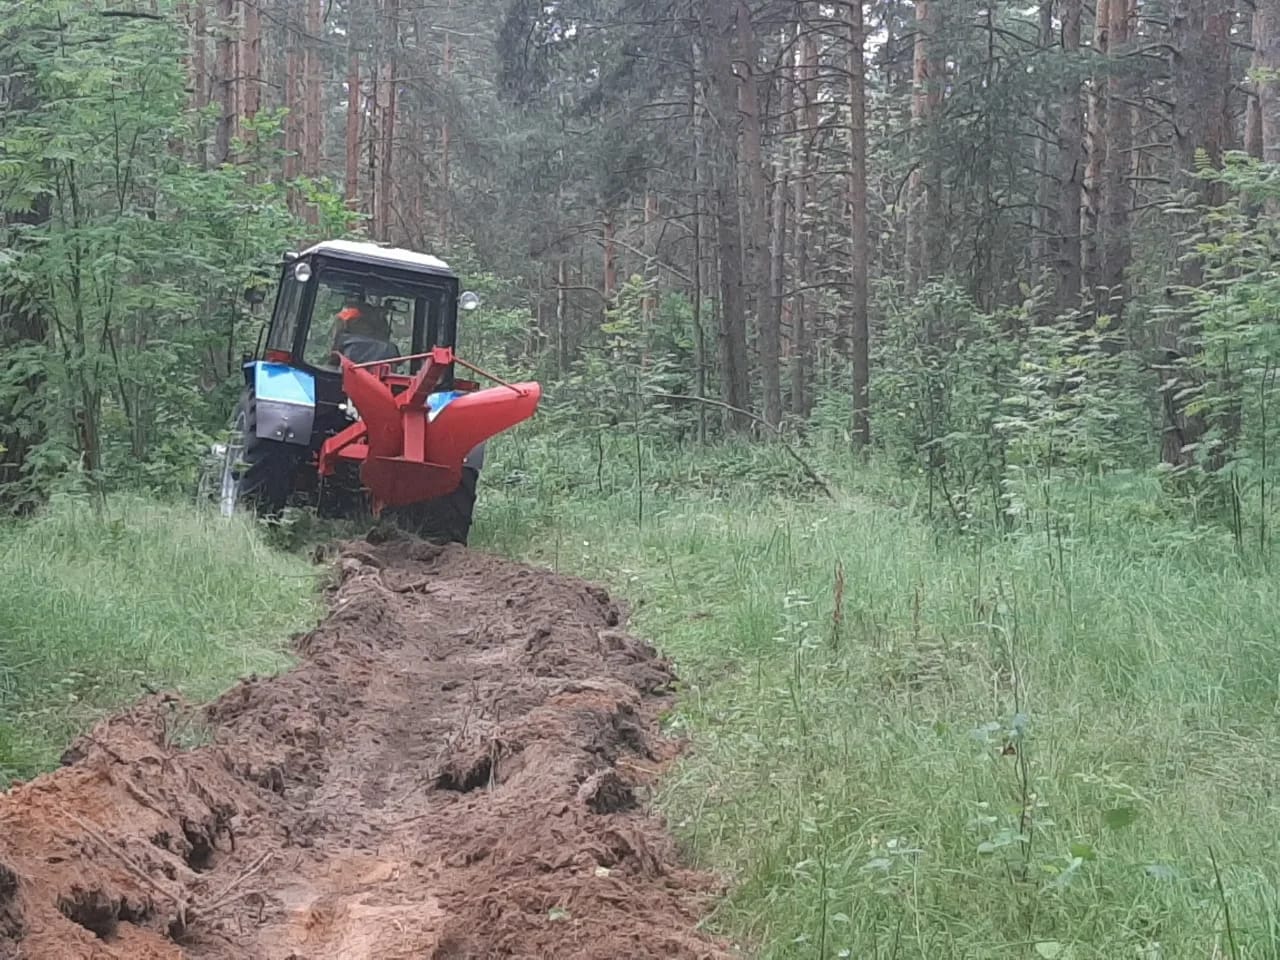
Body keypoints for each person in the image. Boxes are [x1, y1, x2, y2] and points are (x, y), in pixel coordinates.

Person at [330, 297, 401, 365]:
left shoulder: (343, 342)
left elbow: (334, 361)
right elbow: (391, 373)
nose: (390, 330)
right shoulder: (390, 349)